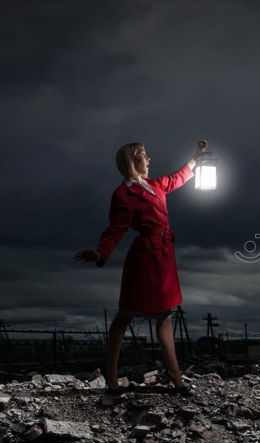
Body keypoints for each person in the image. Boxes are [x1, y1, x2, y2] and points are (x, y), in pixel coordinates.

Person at [74, 140, 208, 395]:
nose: (149, 159)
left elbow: (177, 178)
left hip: (164, 256)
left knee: (164, 316)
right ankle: (112, 380)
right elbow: (116, 230)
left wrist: (196, 156)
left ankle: (176, 379)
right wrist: (101, 252)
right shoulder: (123, 194)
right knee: (125, 317)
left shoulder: (155, 185)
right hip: (145, 258)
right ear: (132, 160)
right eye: (144, 155)